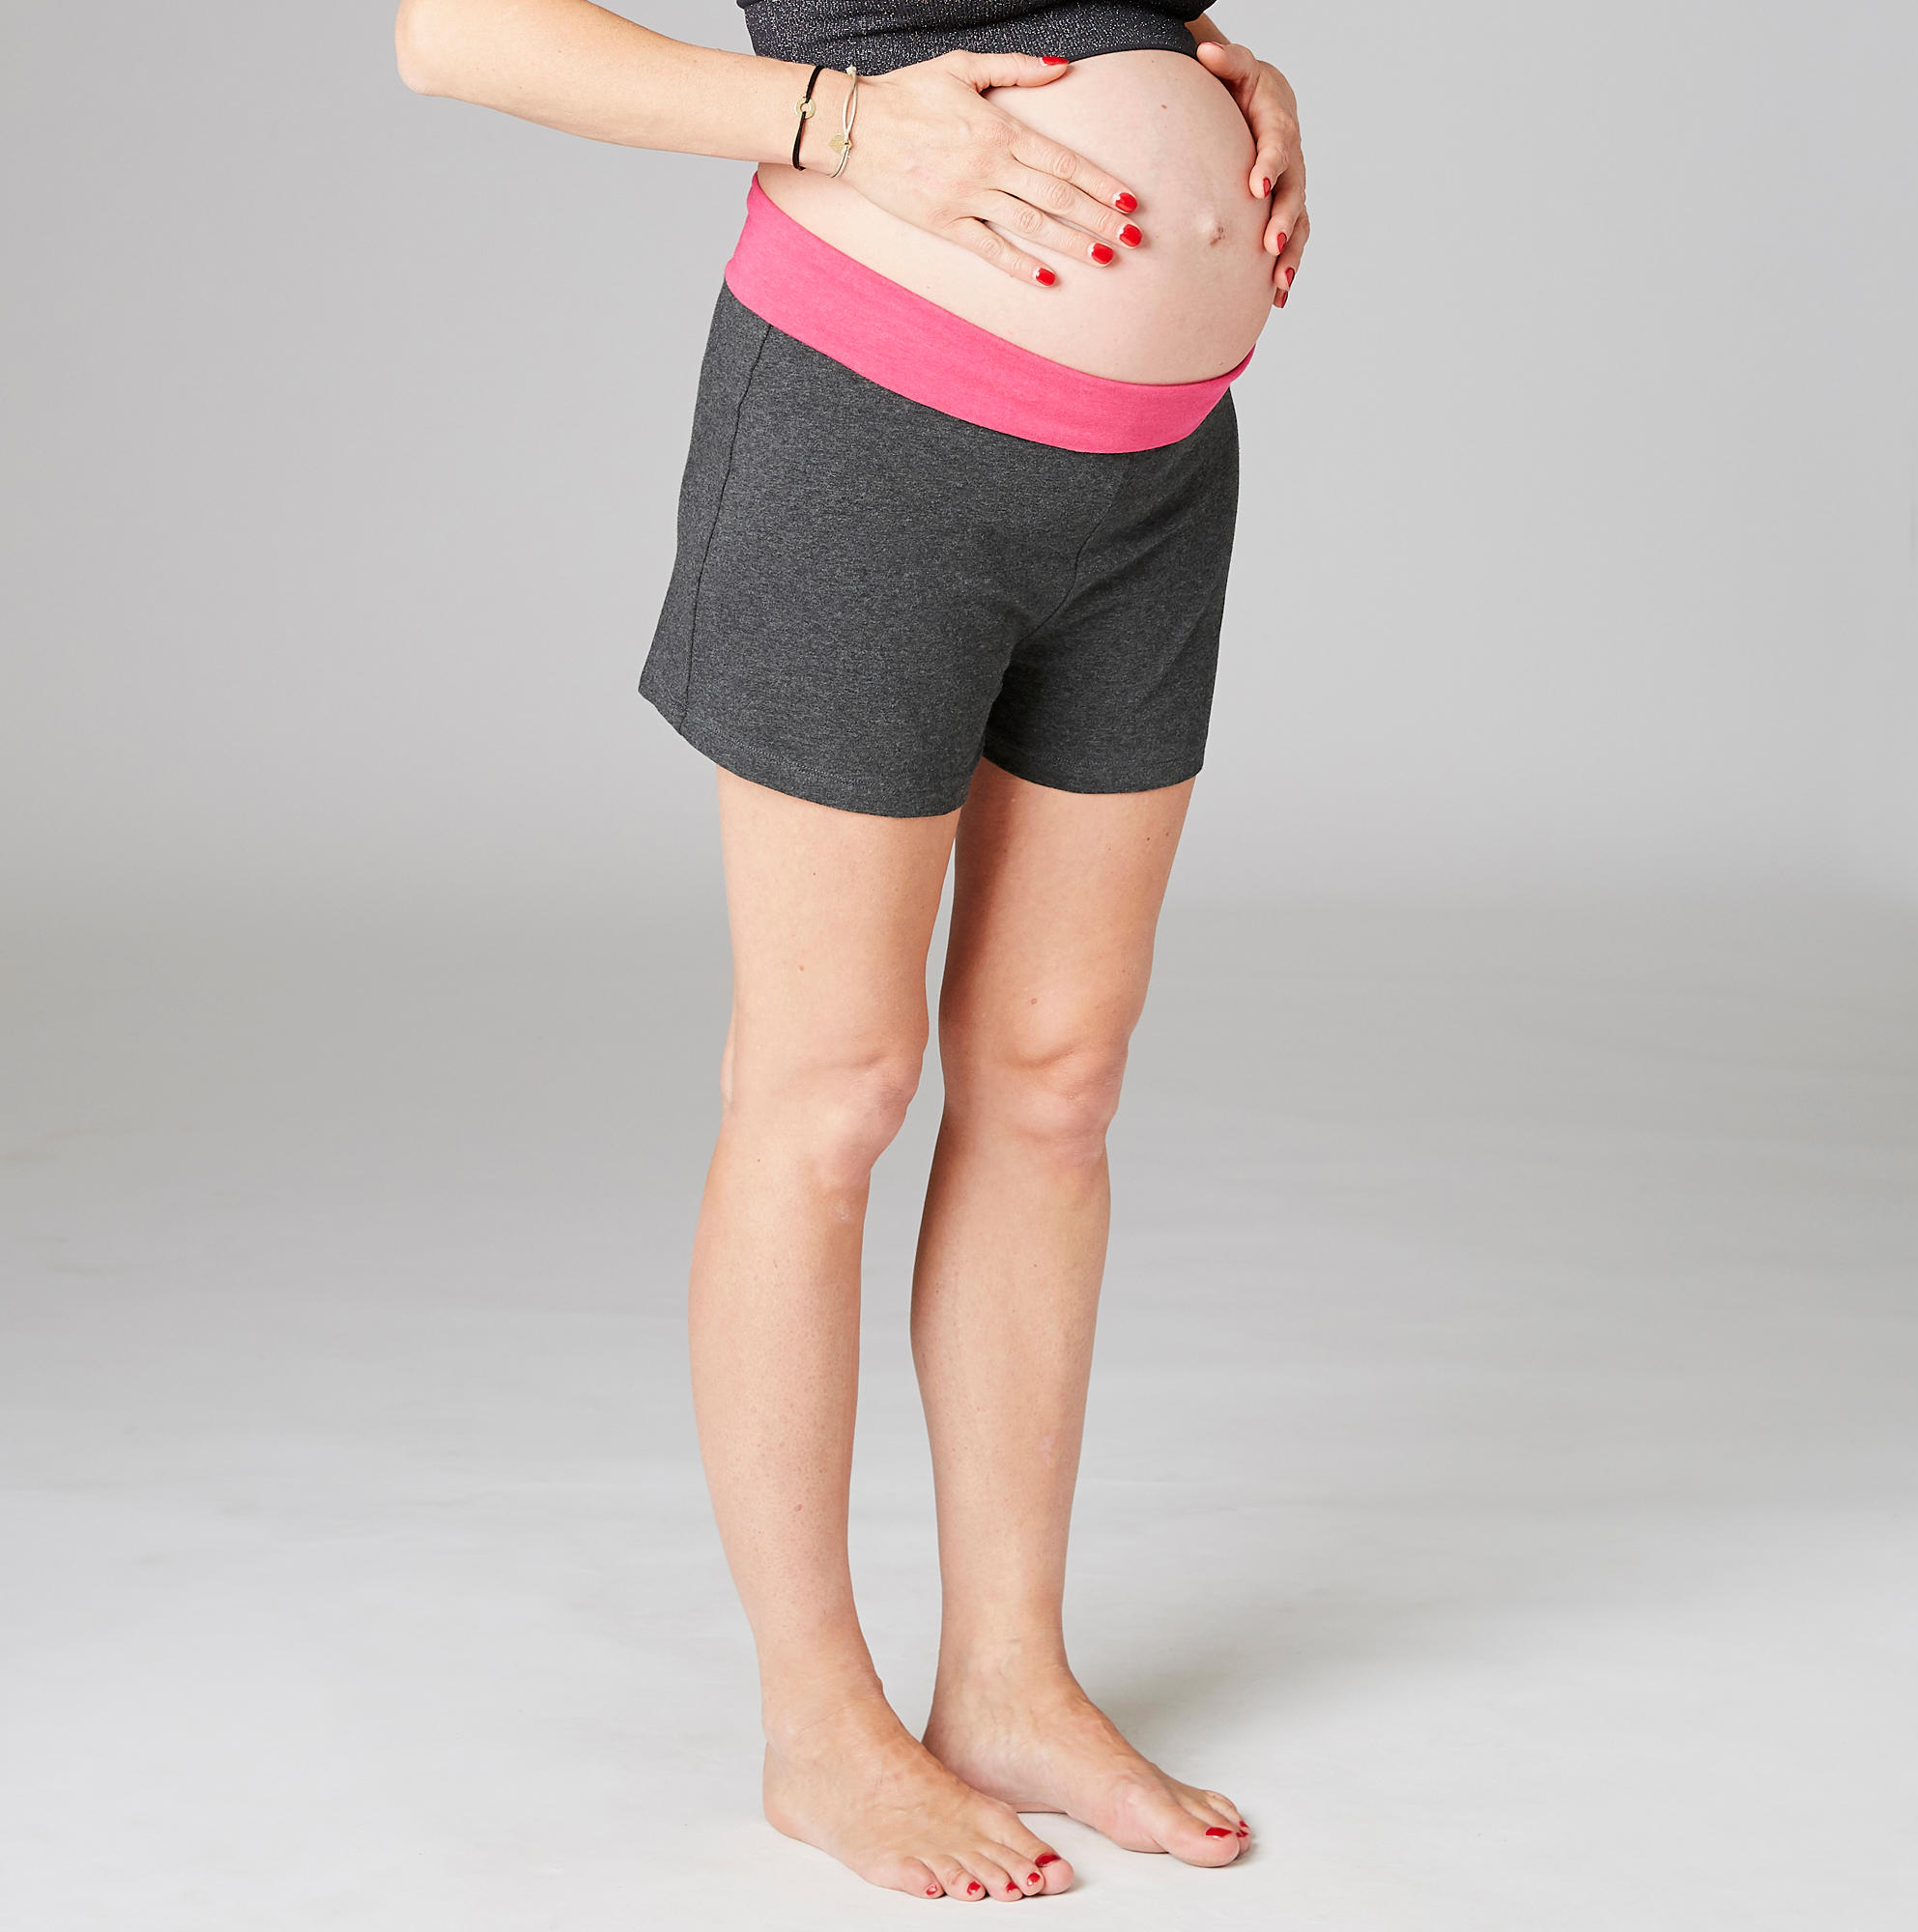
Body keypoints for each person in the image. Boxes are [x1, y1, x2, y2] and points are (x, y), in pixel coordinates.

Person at [395, 0, 1307, 1902]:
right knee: (828, 1091)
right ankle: (820, 1719)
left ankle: (1008, 1680)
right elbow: (453, 32)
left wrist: (1220, 69)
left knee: (1053, 1079)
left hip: (1149, 475)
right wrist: (830, 121)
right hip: (876, 437)